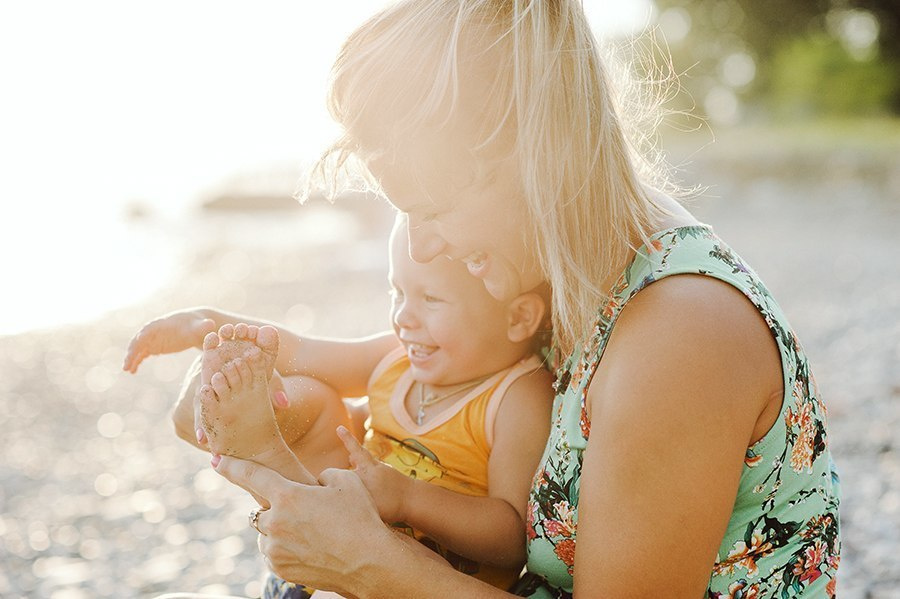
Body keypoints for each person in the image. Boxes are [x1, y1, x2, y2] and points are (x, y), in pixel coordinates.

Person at [164, 1, 842, 597]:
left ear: (533, 153)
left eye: (432, 208)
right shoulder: (564, 272)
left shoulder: (680, 333)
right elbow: (434, 435)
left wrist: (372, 565)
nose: (421, 247)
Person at [128, 214, 555, 596]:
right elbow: (300, 351)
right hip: (324, 555)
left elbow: (510, 538)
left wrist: (407, 498)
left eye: (431, 299)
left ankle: (259, 453)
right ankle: (261, 438)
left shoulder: (516, 395)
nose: (405, 317)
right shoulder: (396, 356)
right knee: (315, 396)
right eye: (397, 292)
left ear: (518, 317)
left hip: (409, 579)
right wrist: (210, 323)